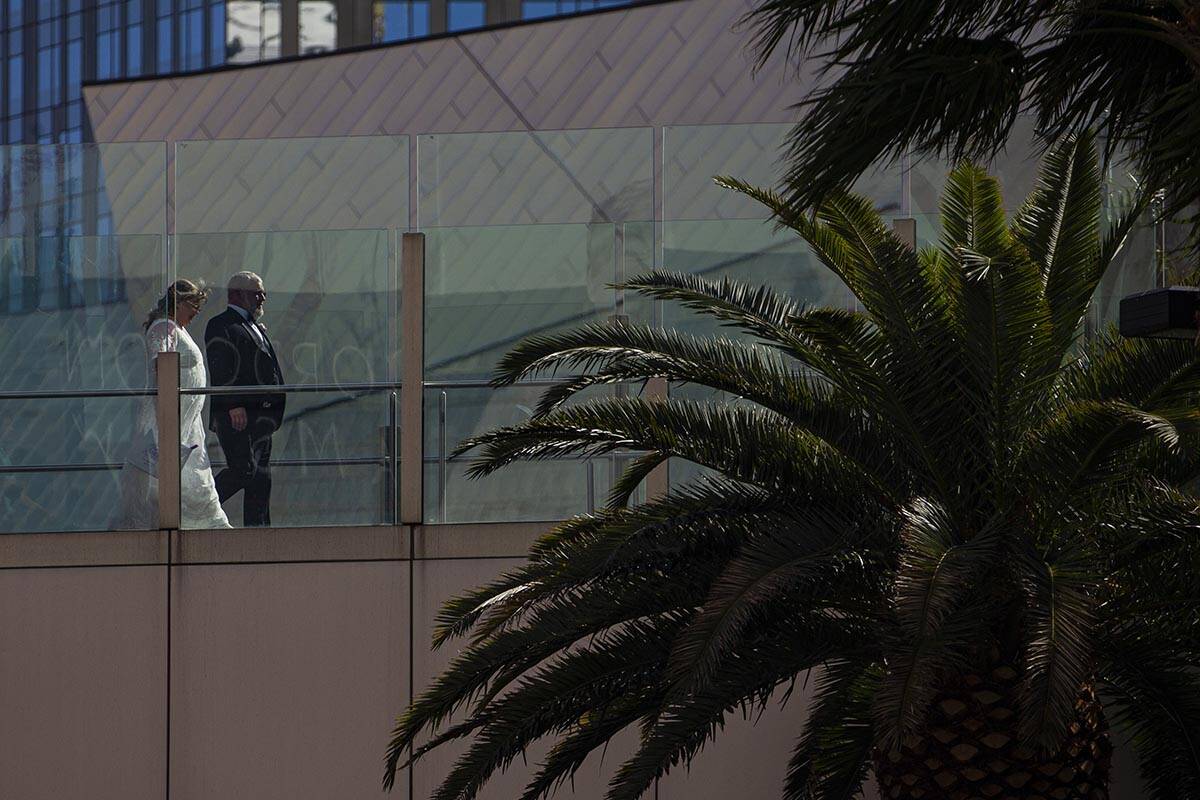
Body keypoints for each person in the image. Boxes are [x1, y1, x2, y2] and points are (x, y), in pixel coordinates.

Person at [115, 279, 232, 529]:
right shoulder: (164, 327)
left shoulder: (177, 327)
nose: (196, 313)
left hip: (188, 423)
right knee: (170, 482)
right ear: (180, 302)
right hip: (172, 421)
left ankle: (209, 527)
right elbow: (161, 363)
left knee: (196, 480)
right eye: (194, 307)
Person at [204, 271, 285, 527]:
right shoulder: (222, 324)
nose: (262, 298)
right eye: (256, 293)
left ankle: (259, 531)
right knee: (243, 470)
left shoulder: (252, 325)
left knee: (261, 479)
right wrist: (233, 403)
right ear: (237, 295)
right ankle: (198, 507)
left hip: (263, 417)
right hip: (238, 416)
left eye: (263, 293)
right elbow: (222, 366)